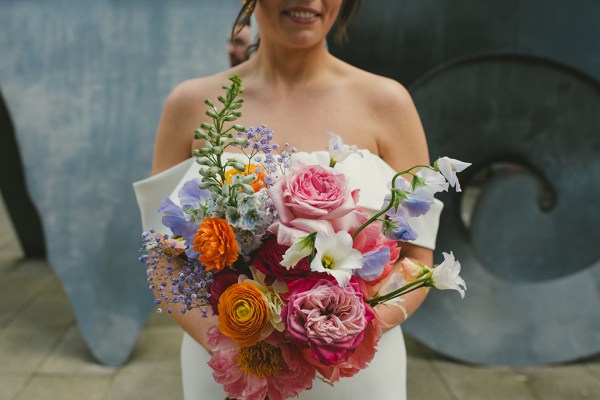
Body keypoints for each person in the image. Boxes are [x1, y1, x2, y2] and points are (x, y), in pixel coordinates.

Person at [135, 1, 443, 398]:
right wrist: (231, 347)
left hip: (352, 375)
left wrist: (339, 338)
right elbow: (161, 256)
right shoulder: (192, 103)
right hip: (232, 372)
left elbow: (418, 261)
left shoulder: (388, 103)